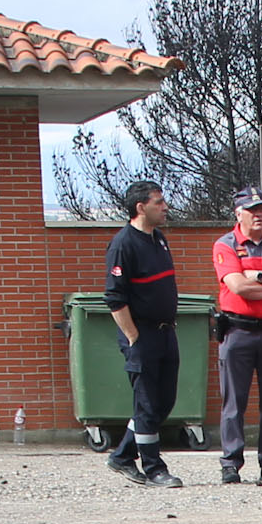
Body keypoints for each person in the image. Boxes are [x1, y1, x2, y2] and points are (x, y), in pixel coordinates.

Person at [102, 180, 182, 487]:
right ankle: (154, 468)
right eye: (158, 202)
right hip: (142, 335)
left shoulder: (158, 239)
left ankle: (122, 456)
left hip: (166, 333)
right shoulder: (123, 244)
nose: (165, 207)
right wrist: (133, 336)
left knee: (164, 402)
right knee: (147, 404)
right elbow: (115, 298)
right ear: (141, 207)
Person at [210, 188, 262, 485]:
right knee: (234, 401)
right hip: (237, 331)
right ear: (238, 213)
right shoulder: (226, 245)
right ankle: (231, 463)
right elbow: (238, 287)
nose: (258, 215)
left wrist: (255, 278)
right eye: (251, 210)